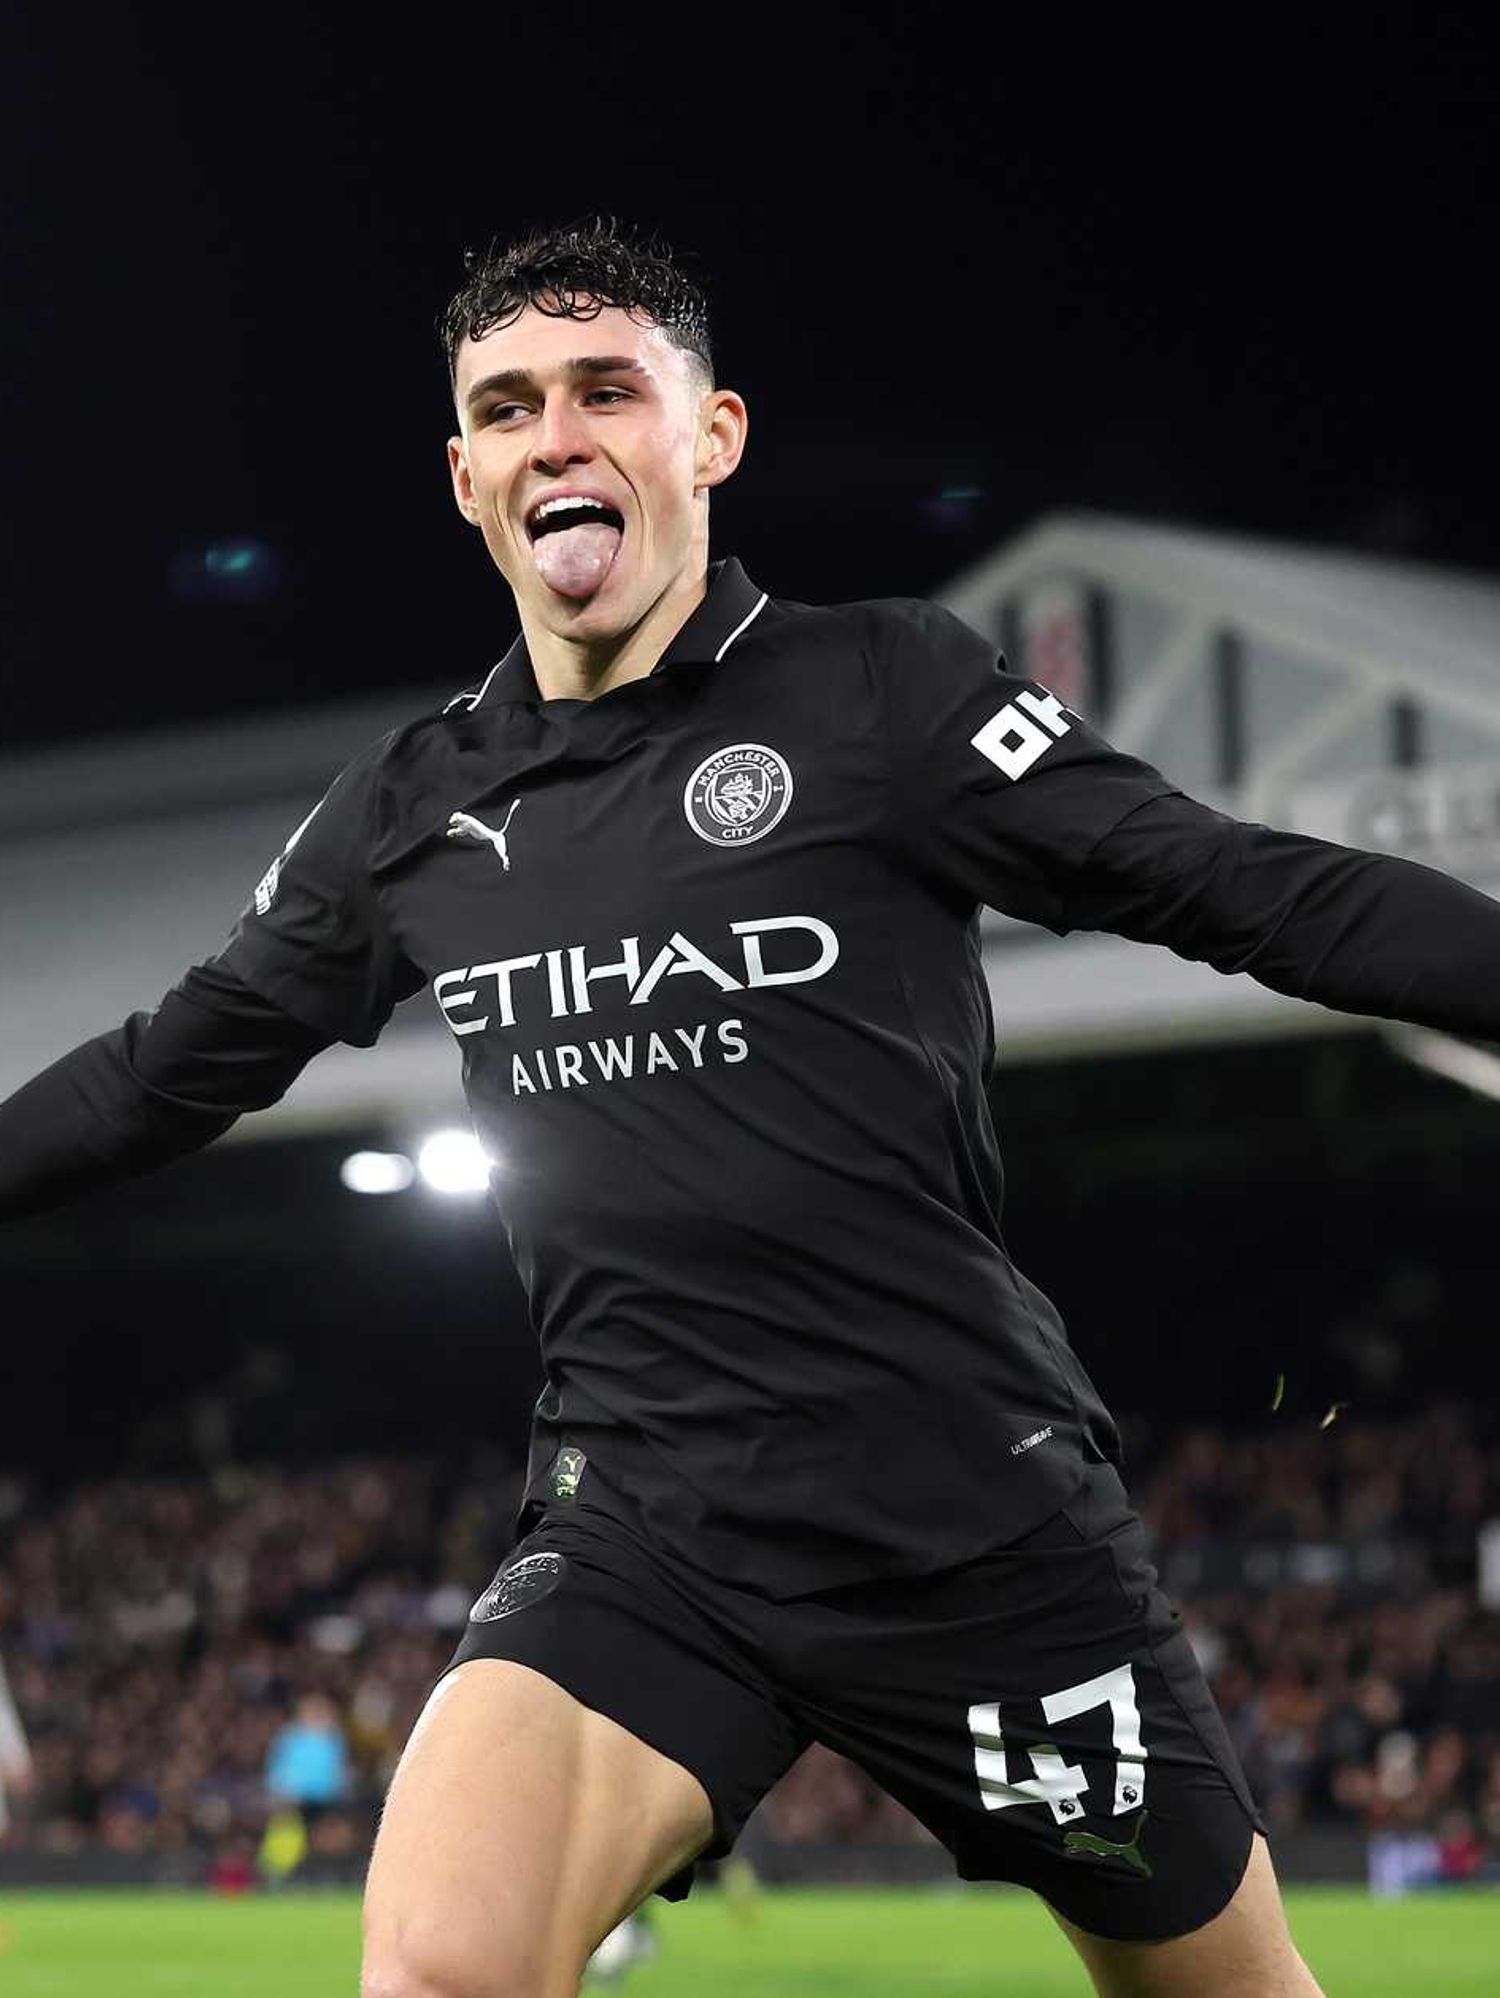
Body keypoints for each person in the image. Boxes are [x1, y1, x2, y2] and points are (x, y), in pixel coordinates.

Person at [5, 218, 1500, 1998]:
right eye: (507, 406)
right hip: (644, 1526)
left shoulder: (886, 697)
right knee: (437, 1972)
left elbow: (1244, 887)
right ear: (467, 475)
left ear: (709, 433)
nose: (556, 433)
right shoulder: (411, 812)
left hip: (972, 1530)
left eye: (604, 389)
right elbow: (170, 1066)